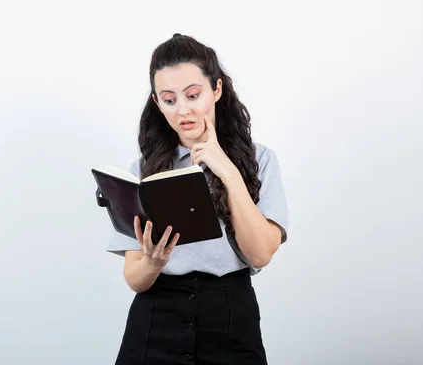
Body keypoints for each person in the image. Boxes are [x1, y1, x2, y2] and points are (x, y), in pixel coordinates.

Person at [105, 33, 289, 365]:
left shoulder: (260, 160)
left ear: (216, 89)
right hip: (156, 318)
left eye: (193, 95)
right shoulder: (143, 171)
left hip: (230, 316)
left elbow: (260, 254)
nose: (184, 110)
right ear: (157, 103)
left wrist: (228, 172)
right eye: (169, 99)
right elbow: (134, 277)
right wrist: (153, 262)